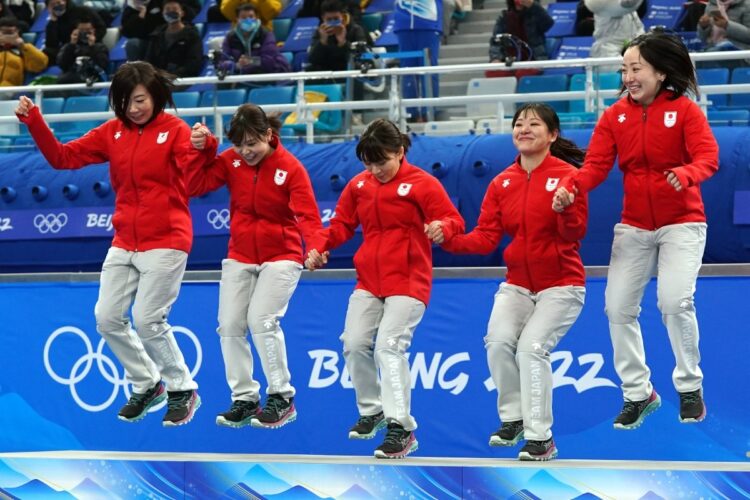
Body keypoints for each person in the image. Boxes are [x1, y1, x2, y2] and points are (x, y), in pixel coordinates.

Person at [15, 61, 203, 426]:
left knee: (148, 320)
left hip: (166, 240)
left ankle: (182, 389)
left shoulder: (176, 131)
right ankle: (147, 384)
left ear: (156, 97)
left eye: (140, 100)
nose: (133, 109)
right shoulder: (112, 132)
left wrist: (203, 144)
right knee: (106, 318)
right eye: (126, 102)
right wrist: (35, 120)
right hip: (124, 241)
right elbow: (62, 158)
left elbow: (196, 171)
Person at [554, 32, 719, 430]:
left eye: (636, 68)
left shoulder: (684, 111)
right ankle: (638, 393)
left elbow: (709, 158)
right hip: (634, 226)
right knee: (617, 308)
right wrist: (569, 188)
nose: (628, 76)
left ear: (661, 73)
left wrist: (686, 172)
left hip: (682, 223)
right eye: (624, 69)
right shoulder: (614, 117)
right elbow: (594, 167)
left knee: (674, 302)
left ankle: (689, 386)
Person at [306, 119, 465, 459]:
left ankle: (400, 428)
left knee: (388, 348)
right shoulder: (359, 186)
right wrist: (319, 247)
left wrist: (442, 227)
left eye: (382, 161)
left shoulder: (423, 184)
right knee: (353, 344)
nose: (376, 169)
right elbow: (341, 225)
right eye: (369, 163)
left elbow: (454, 220)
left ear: (400, 152)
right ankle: (372, 411)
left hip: (408, 282)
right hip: (369, 281)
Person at [437, 103, 587, 462]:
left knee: (532, 348)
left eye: (534, 124)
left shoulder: (568, 177)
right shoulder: (501, 182)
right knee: (498, 342)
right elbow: (486, 238)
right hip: (517, 284)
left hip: (561, 284)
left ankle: (541, 438)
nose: (524, 129)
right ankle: (515, 419)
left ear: (552, 135)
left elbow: (575, 232)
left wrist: (565, 208)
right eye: (519, 123)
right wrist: (447, 239)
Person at [188, 104, 324, 429]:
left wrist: (317, 247)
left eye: (253, 143)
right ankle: (245, 398)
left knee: (261, 320)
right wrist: (205, 149)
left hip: (283, 254)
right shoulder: (231, 160)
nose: (246, 151)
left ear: (268, 135)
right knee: (230, 325)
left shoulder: (290, 168)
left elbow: (308, 215)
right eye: (239, 145)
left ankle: (282, 396)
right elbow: (194, 185)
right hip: (240, 253)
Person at [394, 0, 442, 122]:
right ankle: (411, 114)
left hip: (428, 20)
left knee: (429, 70)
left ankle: (430, 112)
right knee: (407, 71)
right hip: (403, 21)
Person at [219, 3, 290, 76]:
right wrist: (236, 65)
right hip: (242, 77)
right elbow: (222, 61)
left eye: (251, 16)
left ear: (256, 18)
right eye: (243, 17)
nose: (248, 20)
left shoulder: (266, 35)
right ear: (237, 19)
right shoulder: (230, 37)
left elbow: (269, 61)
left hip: (269, 75)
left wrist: (250, 61)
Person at [121, 0, 199, 62]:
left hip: (167, 37)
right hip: (149, 40)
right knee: (133, 44)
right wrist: (140, 17)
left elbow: (191, 12)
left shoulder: (161, 3)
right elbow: (127, 32)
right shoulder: (131, 8)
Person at [142, 0, 202, 77]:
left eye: (175, 9)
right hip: (159, 79)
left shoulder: (192, 35)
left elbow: (193, 63)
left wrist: (173, 75)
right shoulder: (156, 35)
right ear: (162, 13)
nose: (171, 12)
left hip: (182, 79)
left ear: (182, 13)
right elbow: (148, 61)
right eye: (167, 9)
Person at [307, 0, 369, 73]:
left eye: (336, 19)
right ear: (323, 18)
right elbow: (313, 60)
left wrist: (343, 43)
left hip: (349, 71)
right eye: (329, 19)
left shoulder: (356, 30)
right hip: (327, 72)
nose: (333, 22)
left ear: (342, 16)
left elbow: (362, 57)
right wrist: (322, 42)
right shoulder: (320, 32)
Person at [489, 0, 553, 62]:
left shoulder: (535, 15)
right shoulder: (504, 17)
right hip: (510, 60)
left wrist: (533, 6)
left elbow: (548, 24)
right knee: (493, 72)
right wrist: (496, 58)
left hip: (534, 59)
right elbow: (496, 42)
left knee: (523, 72)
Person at [56, 17, 109, 85]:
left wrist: (92, 47)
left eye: (88, 30)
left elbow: (102, 66)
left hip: (91, 79)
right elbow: (62, 65)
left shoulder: (100, 47)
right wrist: (71, 45)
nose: (84, 33)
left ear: (93, 30)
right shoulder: (69, 46)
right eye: (81, 30)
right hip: (69, 78)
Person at [0, 16, 48, 87]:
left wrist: (23, 47)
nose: (7, 36)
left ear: (17, 32)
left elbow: (40, 65)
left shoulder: (24, 49)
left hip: (10, 89)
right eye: (4, 32)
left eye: (10, 32)